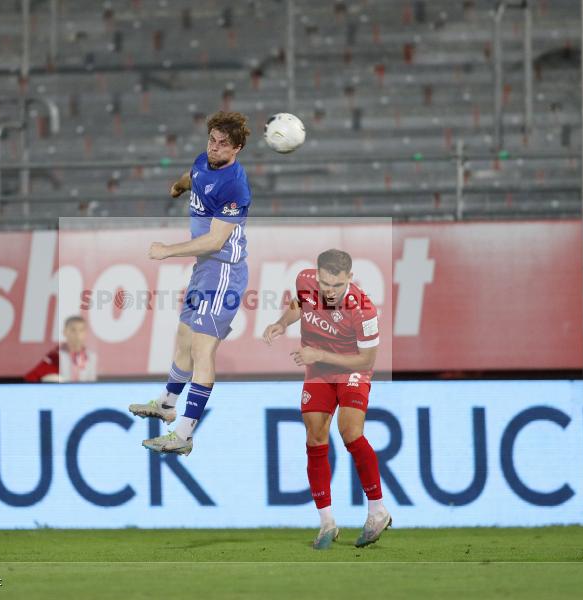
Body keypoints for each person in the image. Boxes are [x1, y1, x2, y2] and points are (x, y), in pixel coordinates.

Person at [128, 111, 252, 456]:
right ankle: (167, 402)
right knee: (183, 337)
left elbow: (215, 242)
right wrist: (180, 185)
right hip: (204, 271)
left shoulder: (235, 185)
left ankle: (183, 433)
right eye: (212, 140)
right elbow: (194, 174)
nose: (214, 148)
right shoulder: (204, 162)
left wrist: (168, 251)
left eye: (223, 143)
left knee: (202, 350)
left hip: (224, 271)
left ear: (237, 148)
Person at [263, 249, 392, 550]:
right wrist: (283, 323)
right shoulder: (305, 280)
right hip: (318, 369)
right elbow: (300, 304)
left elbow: (366, 360)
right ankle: (327, 522)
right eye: (325, 284)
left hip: (351, 369)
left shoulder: (364, 310)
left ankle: (377, 510)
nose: (329, 291)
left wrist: (319, 353)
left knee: (350, 432)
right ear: (317, 275)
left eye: (336, 285)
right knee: (315, 435)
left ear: (349, 278)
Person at [25, 315, 98, 382]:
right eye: (73, 330)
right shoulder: (55, 356)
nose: (77, 334)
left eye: (81, 330)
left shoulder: (91, 357)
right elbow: (31, 377)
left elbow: (92, 382)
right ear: (65, 332)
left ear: (86, 333)